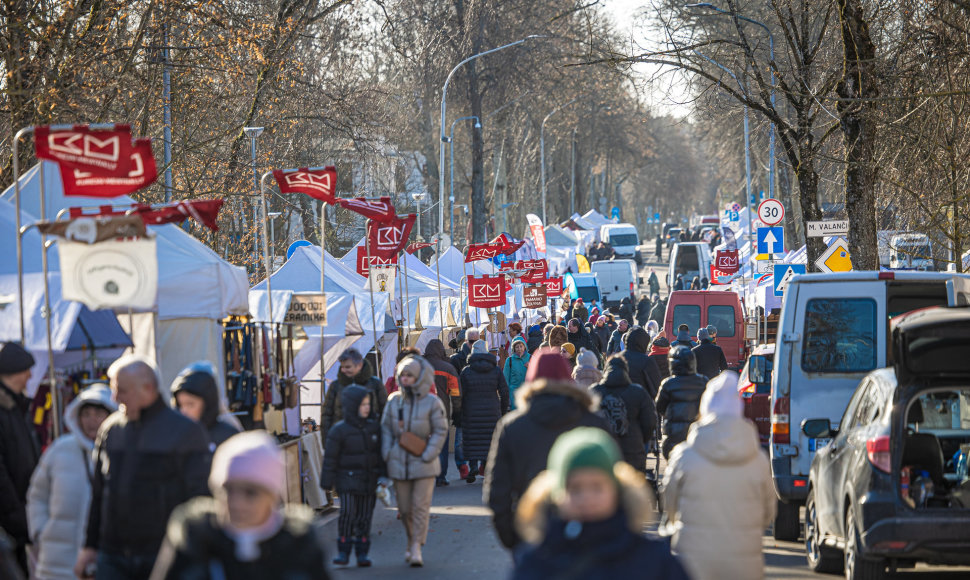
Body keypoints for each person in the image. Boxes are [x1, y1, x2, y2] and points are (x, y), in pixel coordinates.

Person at [75, 356, 211, 580]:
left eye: (123, 391)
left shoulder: (185, 432)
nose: (115, 398)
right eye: (114, 390)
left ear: (148, 389)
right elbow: (99, 493)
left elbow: (199, 498)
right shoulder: (110, 430)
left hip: (164, 555)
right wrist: (89, 547)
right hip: (113, 555)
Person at [512, 428, 689, 580]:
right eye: (575, 489)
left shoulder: (653, 559)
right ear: (555, 494)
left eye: (597, 487)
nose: (587, 498)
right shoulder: (537, 562)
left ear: (617, 490)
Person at [150, 432, 331, 579]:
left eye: (250, 492)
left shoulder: (299, 547)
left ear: (273, 495)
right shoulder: (193, 541)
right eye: (227, 490)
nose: (236, 502)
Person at [484, 350, 609, 552]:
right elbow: (614, 478)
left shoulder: (512, 426)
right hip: (587, 531)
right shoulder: (594, 422)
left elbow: (497, 491)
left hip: (532, 531)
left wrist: (513, 539)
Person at [662, 372, 775, 580]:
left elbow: (670, 504)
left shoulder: (684, 455)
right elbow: (768, 513)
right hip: (744, 564)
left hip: (692, 562)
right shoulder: (758, 460)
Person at [27, 384, 117, 580]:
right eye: (86, 414)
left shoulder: (122, 452)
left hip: (105, 561)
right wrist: (40, 530)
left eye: (98, 414)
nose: (91, 421)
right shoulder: (60, 449)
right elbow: (37, 494)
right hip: (56, 562)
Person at [381, 355, 448, 567]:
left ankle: (416, 546)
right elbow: (385, 429)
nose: (406, 379)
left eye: (410, 375)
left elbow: (440, 429)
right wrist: (388, 452)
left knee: (420, 506)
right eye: (403, 375)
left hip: (424, 462)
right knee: (405, 507)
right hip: (399, 461)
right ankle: (412, 540)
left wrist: (429, 453)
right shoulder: (394, 401)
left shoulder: (432, 402)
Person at [320, 385, 385, 567]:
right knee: (347, 514)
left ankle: (362, 553)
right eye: (362, 404)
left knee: (364, 517)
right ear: (351, 405)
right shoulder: (339, 430)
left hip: (368, 480)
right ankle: (344, 551)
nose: (367, 407)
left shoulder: (374, 427)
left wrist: (384, 476)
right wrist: (327, 481)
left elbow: (381, 454)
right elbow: (330, 458)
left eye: (368, 404)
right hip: (346, 480)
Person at [0, 342, 40, 576]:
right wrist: (17, 515)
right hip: (9, 519)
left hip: (19, 513)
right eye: (27, 370)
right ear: (16, 372)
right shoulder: (5, 410)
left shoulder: (16, 407)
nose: (30, 376)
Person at [589, 356, 657, 472]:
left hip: (603, 450)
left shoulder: (595, 391)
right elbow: (650, 422)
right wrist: (641, 439)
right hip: (633, 449)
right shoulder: (638, 392)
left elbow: (587, 421)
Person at [459, 341, 509, 483]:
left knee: (473, 439)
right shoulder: (496, 370)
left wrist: (460, 411)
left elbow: (461, 394)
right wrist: (502, 410)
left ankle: (473, 466)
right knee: (489, 441)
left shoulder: (466, 371)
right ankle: (486, 467)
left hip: (471, 411)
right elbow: (504, 392)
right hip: (492, 410)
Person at [170, 362, 241, 451]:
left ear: (207, 403)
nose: (184, 411)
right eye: (180, 405)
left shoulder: (228, 436)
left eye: (190, 404)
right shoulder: (175, 437)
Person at [655, 346, 708, 459]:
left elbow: (659, 407)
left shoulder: (668, 384)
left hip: (674, 433)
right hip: (697, 433)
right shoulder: (703, 381)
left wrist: (670, 414)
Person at [321, 348, 388, 435]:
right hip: (342, 440)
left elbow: (385, 413)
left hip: (370, 440)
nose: (343, 370)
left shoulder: (375, 384)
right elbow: (327, 415)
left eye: (348, 367)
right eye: (342, 367)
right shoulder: (335, 386)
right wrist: (328, 442)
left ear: (359, 365)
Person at [423, 339, 461, 487]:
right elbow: (456, 393)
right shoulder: (448, 368)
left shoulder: (419, 366)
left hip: (422, 414)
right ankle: (440, 476)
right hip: (442, 412)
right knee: (442, 446)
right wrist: (457, 411)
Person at [620, 327, 662, 399]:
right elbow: (657, 385)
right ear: (644, 343)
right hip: (641, 402)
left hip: (617, 404)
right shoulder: (647, 361)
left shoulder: (616, 358)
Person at [503, 336, 531, 411]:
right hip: (514, 392)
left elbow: (538, 373)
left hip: (528, 391)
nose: (519, 349)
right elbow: (506, 378)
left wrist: (531, 366)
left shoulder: (531, 358)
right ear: (513, 349)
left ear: (524, 347)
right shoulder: (509, 360)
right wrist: (507, 394)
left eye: (521, 346)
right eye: (517, 347)